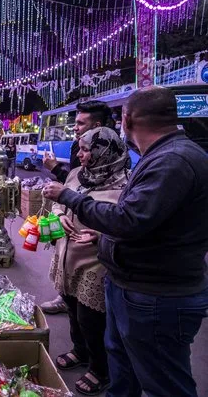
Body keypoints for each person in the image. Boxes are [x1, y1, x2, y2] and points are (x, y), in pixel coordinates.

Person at [43, 86, 208, 397]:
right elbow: (148, 221)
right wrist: (102, 233)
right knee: (123, 368)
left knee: (163, 383)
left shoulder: (172, 161)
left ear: (127, 120)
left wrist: (68, 197)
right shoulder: (163, 155)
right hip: (133, 286)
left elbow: (128, 219)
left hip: (156, 295)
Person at [50, 127, 130, 395]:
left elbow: (125, 224)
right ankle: (80, 351)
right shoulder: (76, 174)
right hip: (66, 256)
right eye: (80, 149)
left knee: (92, 320)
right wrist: (60, 214)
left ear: (104, 151)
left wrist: (98, 235)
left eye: (86, 150)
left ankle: (100, 369)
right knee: (72, 311)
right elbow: (58, 200)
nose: (81, 155)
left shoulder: (125, 184)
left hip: (96, 264)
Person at [41, 100, 112, 315]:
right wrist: (61, 211)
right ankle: (66, 297)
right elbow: (72, 183)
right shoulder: (76, 147)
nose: (74, 127)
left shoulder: (113, 161)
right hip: (72, 224)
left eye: (80, 123)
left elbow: (114, 213)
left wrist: (55, 170)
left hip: (91, 237)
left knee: (89, 315)